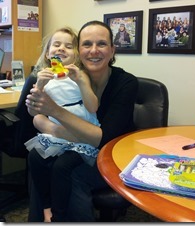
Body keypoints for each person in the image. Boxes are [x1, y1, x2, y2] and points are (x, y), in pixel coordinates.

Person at [26, 20, 138, 222]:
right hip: (68, 143)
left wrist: (54, 117)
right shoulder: (64, 79)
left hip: (110, 153)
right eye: (87, 44)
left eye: (102, 44)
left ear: (112, 50)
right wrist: (46, 121)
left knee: (70, 171)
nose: (94, 50)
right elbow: (36, 116)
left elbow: (102, 139)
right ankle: (44, 215)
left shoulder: (125, 83)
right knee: (39, 158)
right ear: (79, 50)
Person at [26, 26, 101, 222]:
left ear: (76, 54)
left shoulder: (80, 75)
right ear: (48, 52)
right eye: (56, 45)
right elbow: (32, 111)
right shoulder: (43, 76)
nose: (61, 49)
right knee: (35, 157)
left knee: (62, 166)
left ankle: (58, 217)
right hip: (56, 133)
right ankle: (46, 206)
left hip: (80, 130)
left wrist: (81, 82)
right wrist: (40, 85)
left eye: (68, 46)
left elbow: (92, 106)